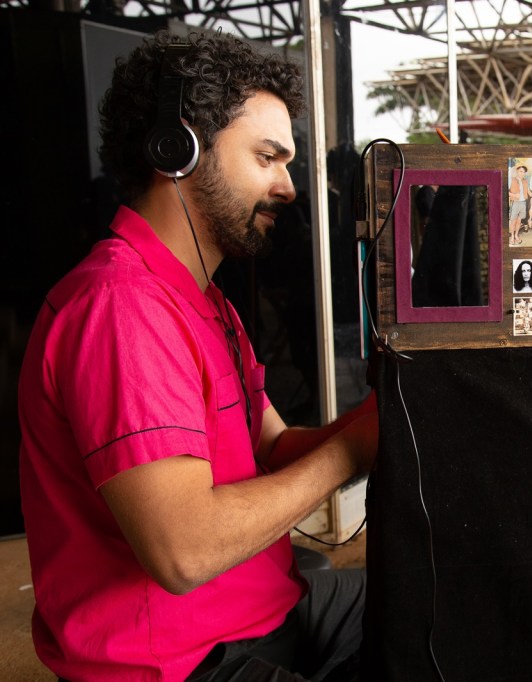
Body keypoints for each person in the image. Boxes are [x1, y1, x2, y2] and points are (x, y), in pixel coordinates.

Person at [17, 31, 378, 682]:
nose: (289, 188)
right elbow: (184, 549)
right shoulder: (122, 309)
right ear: (178, 150)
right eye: (269, 157)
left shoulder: (203, 301)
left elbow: (276, 446)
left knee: (448, 612)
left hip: (264, 614)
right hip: (181, 661)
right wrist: (351, 453)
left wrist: (389, 418)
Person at [508, 164, 529, 245]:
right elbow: (505, 191)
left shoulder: (525, 181)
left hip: (523, 203)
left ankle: (516, 235)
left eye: (523, 172)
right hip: (515, 203)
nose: (522, 173)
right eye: (520, 171)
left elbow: (528, 191)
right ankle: (512, 236)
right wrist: (513, 195)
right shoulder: (511, 180)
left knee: (519, 221)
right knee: (513, 221)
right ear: (517, 171)